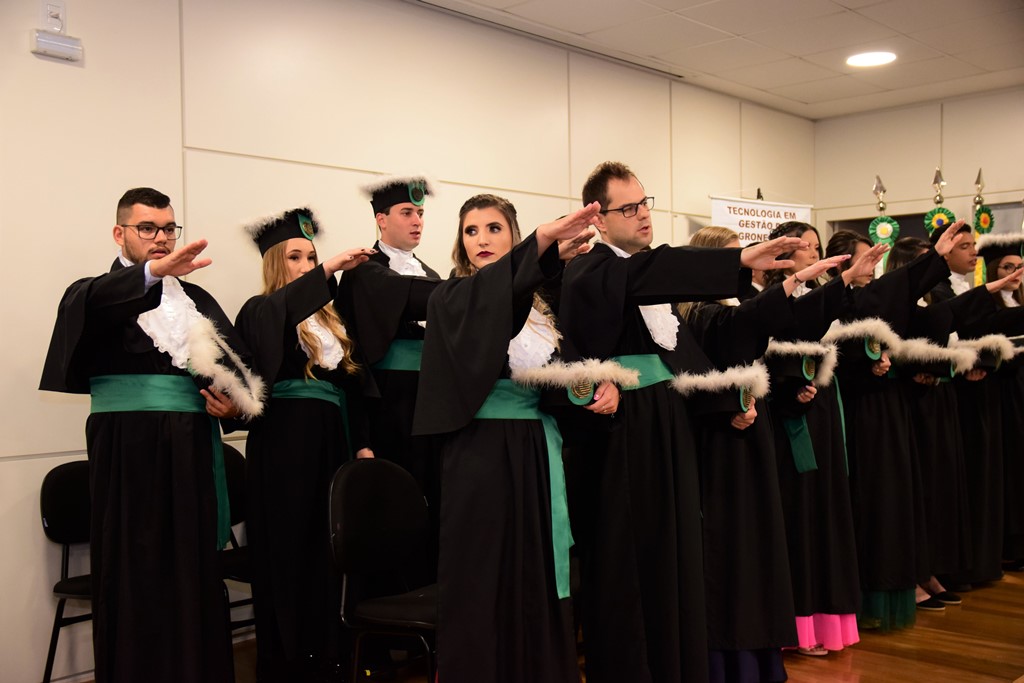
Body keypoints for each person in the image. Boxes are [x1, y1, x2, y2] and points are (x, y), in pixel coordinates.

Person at [558, 162, 805, 683]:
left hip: (667, 432)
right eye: (629, 208)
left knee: (675, 560)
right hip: (620, 442)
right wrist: (738, 258)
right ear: (598, 219)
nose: (643, 214)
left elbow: (684, 365)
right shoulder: (590, 269)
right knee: (629, 568)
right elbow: (649, 274)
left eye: (644, 203)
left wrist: (728, 403)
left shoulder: (649, 281)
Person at [39, 187, 264, 683]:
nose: (160, 238)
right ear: (119, 233)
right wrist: (151, 275)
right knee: (135, 568)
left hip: (192, 449)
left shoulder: (196, 300)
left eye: (168, 229)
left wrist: (232, 405)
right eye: (147, 228)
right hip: (129, 452)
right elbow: (93, 304)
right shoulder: (94, 293)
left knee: (195, 568)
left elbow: (240, 370)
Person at [412, 194, 623, 683]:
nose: (481, 239)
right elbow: (494, 305)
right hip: (479, 452)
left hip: (535, 448)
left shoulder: (544, 306)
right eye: (471, 230)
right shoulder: (452, 297)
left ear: (513, 235)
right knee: (483, 574)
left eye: (494, 228)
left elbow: (561, 374)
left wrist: (598, 386)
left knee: (536, 572)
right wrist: (544, 242)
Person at [679, 226, 865, 682]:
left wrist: (831, 285)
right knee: (731, 553)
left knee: (759, 549)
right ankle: (730, 658)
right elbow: (737, 336)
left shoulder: (732, 306)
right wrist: (794, 282)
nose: (742, 264)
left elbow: (786, 330)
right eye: (733, 257)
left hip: (752, 440)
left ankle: (760, 653)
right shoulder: (697, 313)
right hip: (719, 450)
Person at [235, 208, 374, 682]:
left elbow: (353, 389)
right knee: (288, 552)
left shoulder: (331, 323)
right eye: (295, 257)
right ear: (276, 262)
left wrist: (362, 445)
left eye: (312, 257)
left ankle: (330, 657)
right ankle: (288, 664)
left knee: (328, 551)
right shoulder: (259, 311)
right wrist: (330, 270)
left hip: (331, 443)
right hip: (284, 447)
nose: (306, 265)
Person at [334, 175, 444, 586]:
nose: (417, 221)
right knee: (391, 511)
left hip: (428, 406)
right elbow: (355, 359)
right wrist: (362, 436)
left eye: (421, 213)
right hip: (387, 408)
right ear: (381, 219)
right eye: (407, 212)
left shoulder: (429, 273)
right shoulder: (364, 272)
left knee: (432, 505)